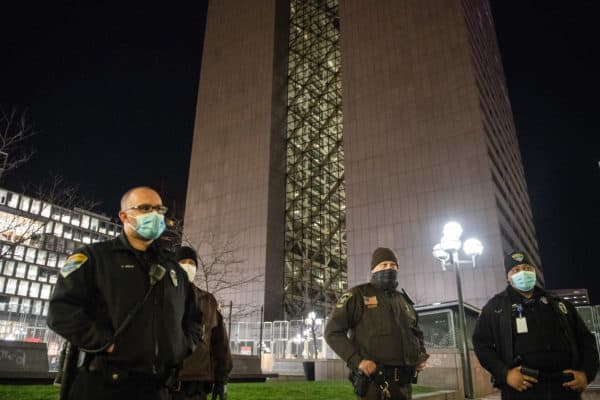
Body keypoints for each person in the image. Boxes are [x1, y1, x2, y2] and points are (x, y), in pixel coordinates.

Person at [48, 186, 203, 400]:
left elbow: (194, 318)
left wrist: (181, 346)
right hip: (102, 387)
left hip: (157, 389)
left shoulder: (173, 268)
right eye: (145, 208)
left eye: (159, 209)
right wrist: (105, 343)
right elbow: (61, 312)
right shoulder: (94, 258)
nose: (155, 215)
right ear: (124, 216)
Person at [473, 250, 599, 399]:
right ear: (508, 276)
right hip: (521, 390)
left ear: (534, 272)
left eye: (527, 268)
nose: (523, 273)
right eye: (516, 270)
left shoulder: (558, 304)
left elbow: (586, 340)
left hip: (565, 388)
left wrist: (586, 374)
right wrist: (505, 374)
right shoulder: (495, 307)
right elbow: (481, 345)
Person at [325, 247, 429, 400]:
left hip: (404, 385)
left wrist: (420, 357)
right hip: (375, 384)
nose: (389, 268)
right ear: (373, 268)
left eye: (393, 265)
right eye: (384, 264)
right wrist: (357, 360)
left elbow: (416, 332)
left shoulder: (404, 301)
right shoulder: (357, 295)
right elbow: (332, 332)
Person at [170, 246, 233, 400]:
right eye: (183, 262)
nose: (188, 266)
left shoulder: (208, 301)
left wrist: (221, 380)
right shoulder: (163, 296)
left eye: (192, 263)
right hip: (168, 384)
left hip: (197, 388)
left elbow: (220, 343)